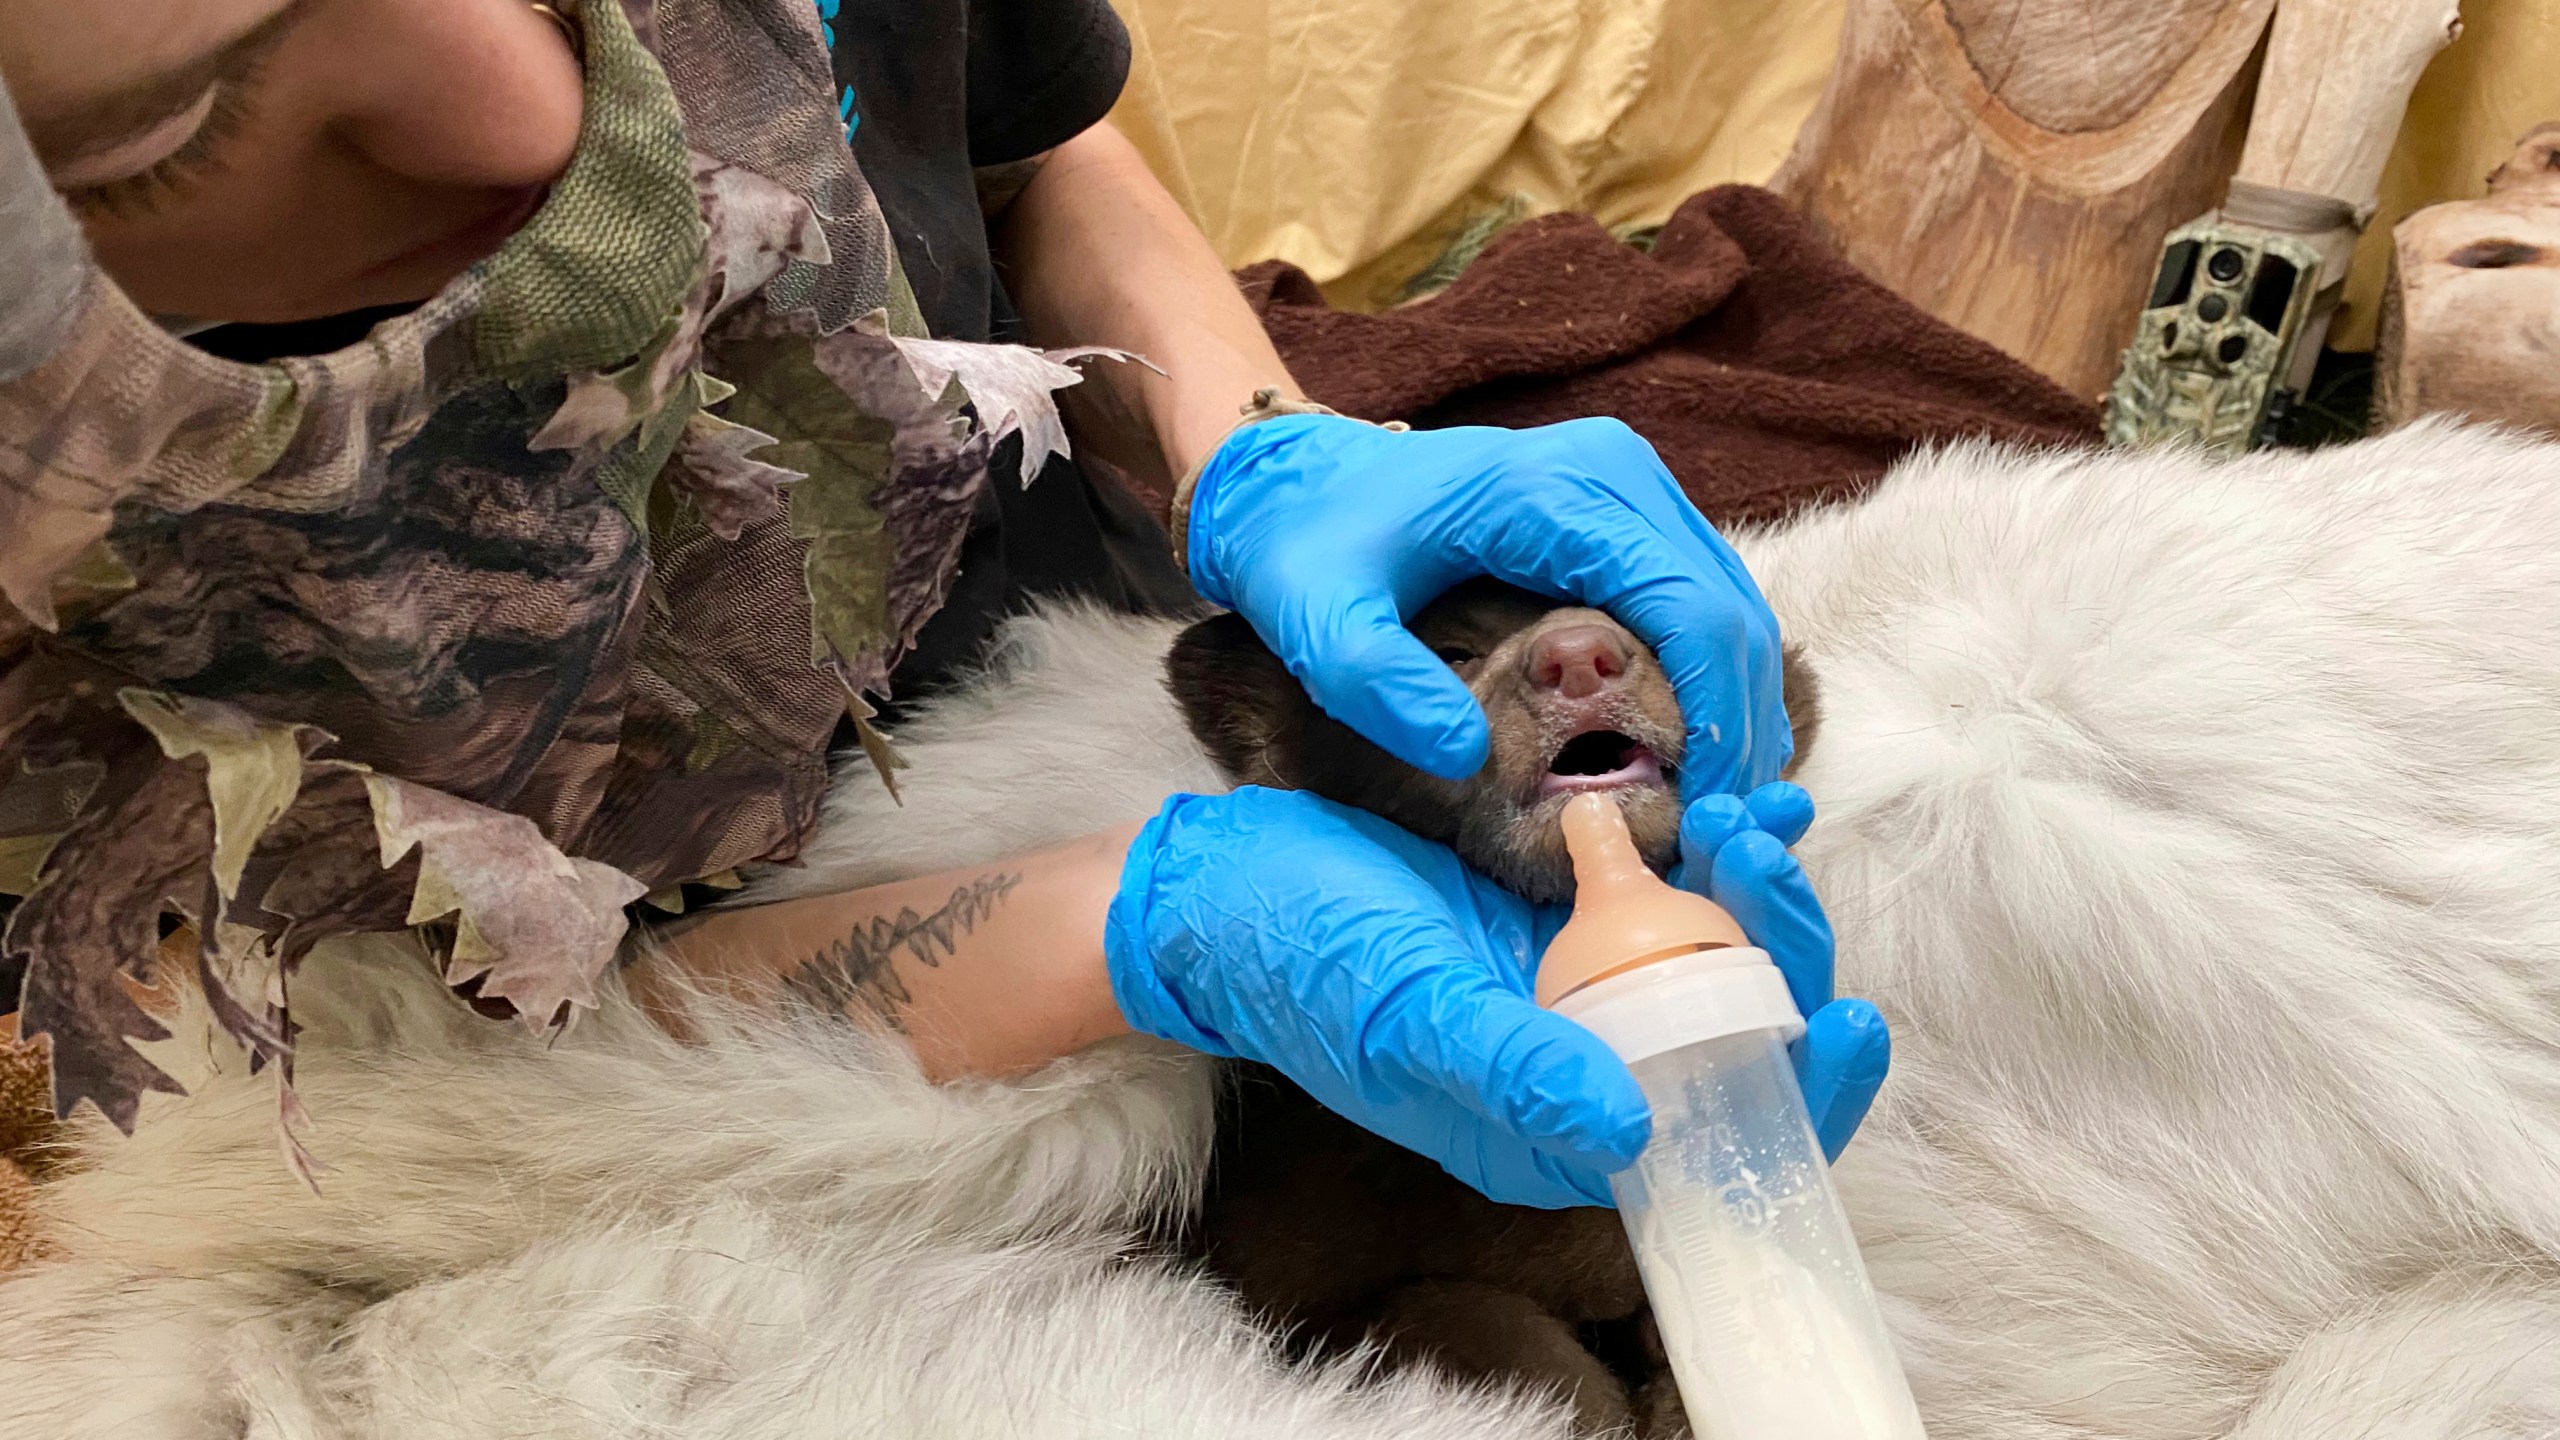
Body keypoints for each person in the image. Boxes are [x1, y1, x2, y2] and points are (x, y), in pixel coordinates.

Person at [0, 0, 1885, 1210]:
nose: (531, 108)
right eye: (174, 127)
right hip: (661, 1088)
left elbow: (1031, 144)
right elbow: (370, 1090)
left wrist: (1255, 448)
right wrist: (1128, 933)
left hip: (1149, 662)